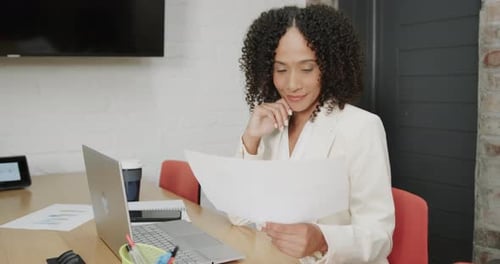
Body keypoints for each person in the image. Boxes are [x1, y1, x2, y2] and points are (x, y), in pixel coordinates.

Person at [231, 4, 395, 264]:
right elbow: (238, 217)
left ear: (329, 66)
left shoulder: (361, 127)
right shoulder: (273, 126)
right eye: (281, 69)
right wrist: (251, 139)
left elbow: (379, 236)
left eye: (307, 69)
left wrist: (322, 239)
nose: (292, 84)